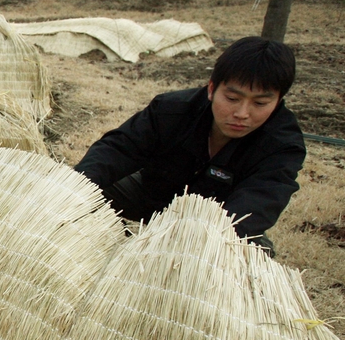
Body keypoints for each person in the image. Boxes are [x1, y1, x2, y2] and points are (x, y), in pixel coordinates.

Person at [73, 36, 305, 256]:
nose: (242, 114)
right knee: (87, 187)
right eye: (232, 99)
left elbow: (258, 204)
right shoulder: (171, 110)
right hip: (152, 197)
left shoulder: (283, 145)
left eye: (260, 103)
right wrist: (75, 189)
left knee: (256, 253)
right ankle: (115, 241)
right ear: (212, 89)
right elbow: (118, 149)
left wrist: (200, 240)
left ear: (278, 101)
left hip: (210, 225)